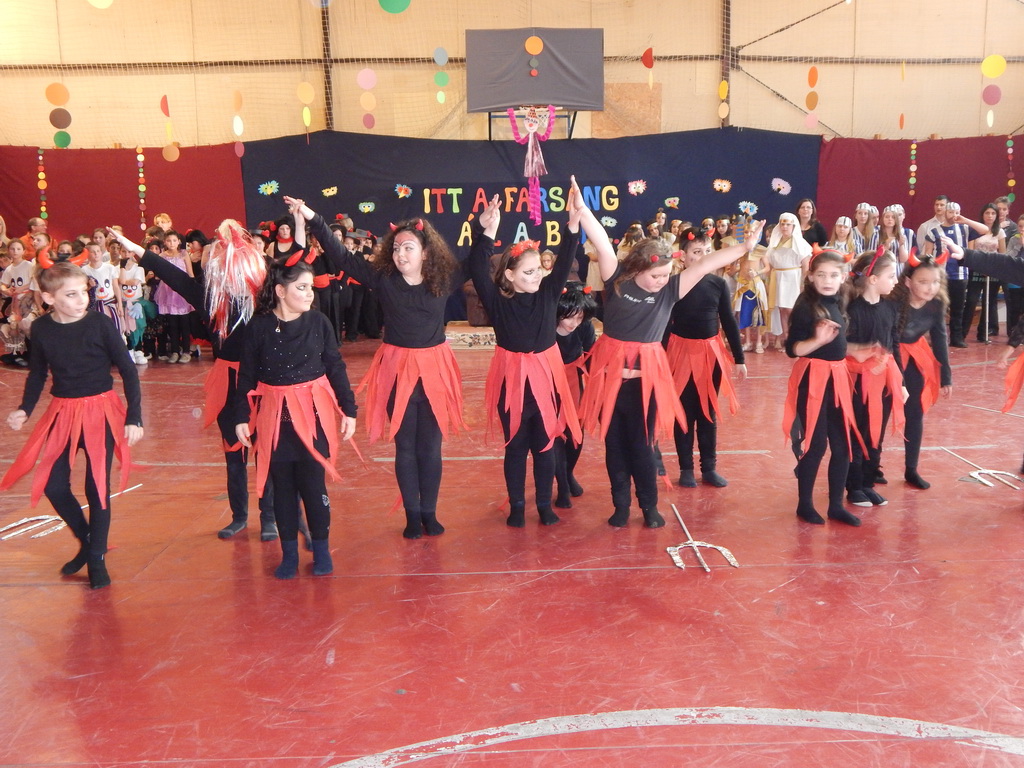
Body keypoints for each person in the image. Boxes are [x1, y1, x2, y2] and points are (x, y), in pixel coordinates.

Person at [290, 196, 465, 540]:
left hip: (434, 369)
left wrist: (486, 229)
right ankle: (412, 515)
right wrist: (312, 217)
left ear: (425, 252)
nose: (400, 254)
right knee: (405, 447)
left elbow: (478, 257)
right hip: (397, 370)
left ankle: (429, 512)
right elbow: (341, 255)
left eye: (408, 248)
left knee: (430, 448)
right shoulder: (384, 280)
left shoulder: (443, 281)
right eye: (396, 248)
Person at [579, 208, 765, 528]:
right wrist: (582, 210)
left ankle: (649, 505)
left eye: (666, 275)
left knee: (643, 446)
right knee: (615, 448)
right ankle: (620, 505)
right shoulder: (618, 282)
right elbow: (601, 243)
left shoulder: (669, 291)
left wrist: (745, 247)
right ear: (639, 268)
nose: (661, 281)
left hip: (645, 386)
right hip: (610, 384)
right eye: (656, 276)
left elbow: (706, 264)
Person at [109, 222, 280, 542]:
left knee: (265, 450)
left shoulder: (266, 301)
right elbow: (174, 276)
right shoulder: (211, 299)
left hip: (261, 382)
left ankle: (269, 516)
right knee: (233, 452)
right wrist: (136, 249)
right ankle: (239, 516)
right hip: (228, 382)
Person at [0, 261, 143, 588]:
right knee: (53, 485)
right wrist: (24, 409)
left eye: (83, 292)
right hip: (63, 412)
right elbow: (38, 373)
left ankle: (96, 558)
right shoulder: (42, 329)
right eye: (72, 294)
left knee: (97, 486)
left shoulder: (100, 324)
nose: (82, 300)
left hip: (100, 411)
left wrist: (134, 416)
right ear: (49, 298)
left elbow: (128, 369)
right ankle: (88, 540)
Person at [469, 180, 592, 527]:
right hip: (512, 381)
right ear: (509, 275)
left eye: (539, 269)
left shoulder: (549, 293)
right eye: (528, 271)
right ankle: (518, 507)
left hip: (545, 379)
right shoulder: (498, 301)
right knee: (516, 446)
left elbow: (565, 259)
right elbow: (477, 268)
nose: (537, 276)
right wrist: (486, 232)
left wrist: (572, 225)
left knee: (545, 443)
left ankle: (543, 504)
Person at [234, 258, 357, 579]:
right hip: (275, 418)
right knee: (283, 489)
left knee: (314, 486)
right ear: (280, 291)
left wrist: (349, 409)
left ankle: (321, 550)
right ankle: (289, 554)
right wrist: (241, 416)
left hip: (312, 415)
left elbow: (335, 366)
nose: (309, 294)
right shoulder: (259, 327)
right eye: (301, 288)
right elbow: (246, 375)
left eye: (310, 287)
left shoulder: (318, 322)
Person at [783, 249, 864, 526]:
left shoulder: (840, 299)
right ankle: (804, 504)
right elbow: (792, 349)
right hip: (813, 379)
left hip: (837, 379)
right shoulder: (806, 305)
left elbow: (838, 343)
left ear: (843, 277)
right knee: (816, 445)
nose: (827, 281)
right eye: (821, 275)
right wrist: (817, 341)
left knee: (842, 446)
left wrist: (856, 350)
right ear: (810, 276)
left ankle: (835, 505)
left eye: (833, 275)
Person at [665, 227, 746, 488]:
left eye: (708, 251)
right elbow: (664, 324)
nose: (703, 257)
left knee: (707, 411)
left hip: (710, 355)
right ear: (683, 256)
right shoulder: (674, 284)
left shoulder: (718, 284)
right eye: (697, 252)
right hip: (680, 354)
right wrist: (661, 359)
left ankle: (709, 468)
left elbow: (728, 321)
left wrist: (739, 358)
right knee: (684, 411)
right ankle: (686, 468)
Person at [843, 248, 903, 508]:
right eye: (891, 276)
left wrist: (900, 383)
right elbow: (843, 348)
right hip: (857, 381)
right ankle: (854, 486)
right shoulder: (852, 310)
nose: (896, 281)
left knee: (876, 432)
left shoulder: (890, 308)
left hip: (884, 380)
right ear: (873, 279)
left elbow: (894, 345)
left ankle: (868, 482)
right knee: (858, 431)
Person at [891, 253, 953, 490]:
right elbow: (889, 340)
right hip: (887, 357)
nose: (930, 288)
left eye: (935, 282)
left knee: (915, 412)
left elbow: (940, 339)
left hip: (915, 356)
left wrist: (946, 376)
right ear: (908, 281)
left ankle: (911, 469)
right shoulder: (894, 303)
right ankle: (870, 468)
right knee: (879, 412)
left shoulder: (936, 304)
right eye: (923, 282)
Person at [552, 282, 597, 509]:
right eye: (569, 317)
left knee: (576, 433)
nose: (574, 323)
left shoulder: (584, 327)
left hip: (573, 382)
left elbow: (592, 358)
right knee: (555, 434)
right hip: (548, 382)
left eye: (579, 318)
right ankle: (561, 483)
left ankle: (568, 473)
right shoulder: (546, 324)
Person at [924, 201, 970, 348]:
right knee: (938, 309)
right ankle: (938, 338)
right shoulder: (934, 231)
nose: (954, 215)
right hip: (941, 276)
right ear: (944, 213)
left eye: (957, 212)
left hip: (960, 274)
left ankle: (956, 338)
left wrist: (966, 220)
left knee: (958, 309)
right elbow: (927, 254)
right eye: (951, 212)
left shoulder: (964, 229)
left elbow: (985, 230)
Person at [958, 203, 1006, 342]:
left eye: (993, 213)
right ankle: (962, 334)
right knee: (971, 301)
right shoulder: (975, 229)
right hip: (976, 269)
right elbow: (970, 251)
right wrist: (979, 267)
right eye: (987, 213)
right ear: (982, 215)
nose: (990, 216)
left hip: (993, 271)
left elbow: (1002, 253)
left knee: (988, 302)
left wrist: (993, 268)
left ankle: (983, 333)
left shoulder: (1000, 232)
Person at [766, 212, 812, 350]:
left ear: (793, 226)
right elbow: (770, 262)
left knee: (792, 309)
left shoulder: (800, 243)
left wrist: (803, 283)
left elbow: (806, 265)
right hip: (778, 277)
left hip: (793, 278)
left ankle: (796, 339)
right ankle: (786, 339)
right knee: (781, 309)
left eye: (788, 224)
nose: (785, 227)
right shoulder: (775, 242)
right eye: (782, 224)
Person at [152, 230, 194, 363]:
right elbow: (158, 275)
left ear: (179, 242)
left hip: (182, 291)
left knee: (184, 323)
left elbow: (190, 273)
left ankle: (186, 351)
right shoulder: (162, 256)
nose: (172, 243)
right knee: (172, 323)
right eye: (169, 241)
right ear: (165, 242)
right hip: (168, 291)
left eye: (174, 240)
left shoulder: (184, 254)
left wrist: (191, 290)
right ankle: (175, 351)